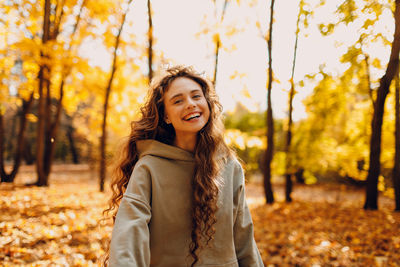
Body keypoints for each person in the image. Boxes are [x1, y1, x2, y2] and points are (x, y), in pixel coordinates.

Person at [103, 66, 264, 267]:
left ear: (208, 104)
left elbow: (244, 239)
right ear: (166, 117)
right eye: (178, 101)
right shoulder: (149, 168)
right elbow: (129, 232)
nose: (190, 104)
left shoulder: (230, 166)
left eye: (196, 96)